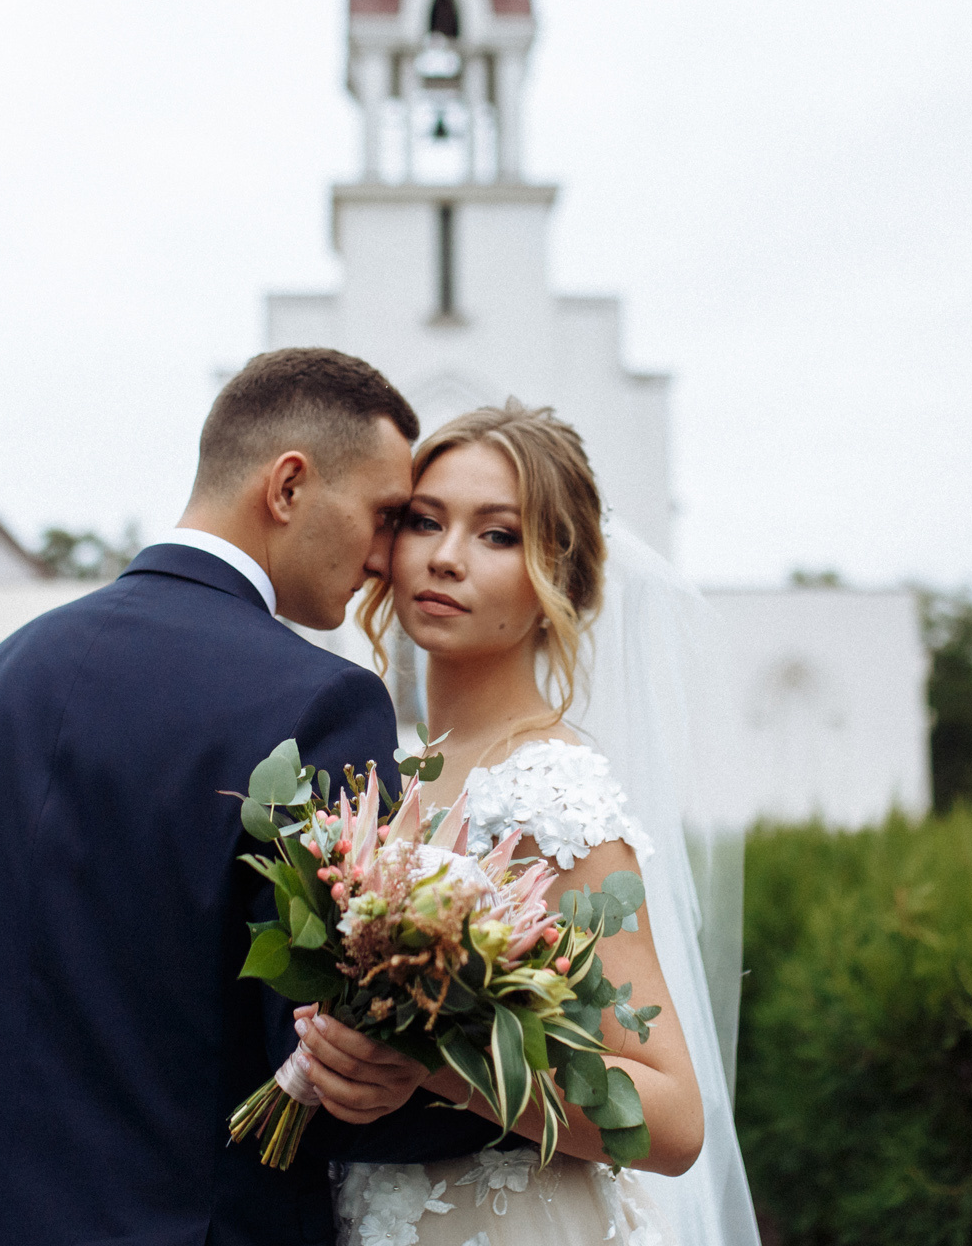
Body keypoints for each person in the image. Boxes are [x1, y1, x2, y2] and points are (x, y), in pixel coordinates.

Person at [0, 348, 509, 1246]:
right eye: (384, 516)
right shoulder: (320, 704)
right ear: (289, 486)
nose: (387, 560)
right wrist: (538, 1098)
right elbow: (325, 1064)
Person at [318, 401, 763, 1246]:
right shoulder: (394, 773)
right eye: (425, 521)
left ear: (559, 579)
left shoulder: (555, 793)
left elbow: (672, 1119)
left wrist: (430, 1064)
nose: (445, 558)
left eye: (497, 535)